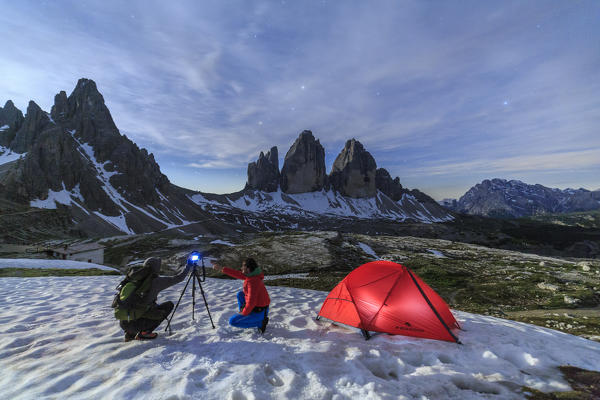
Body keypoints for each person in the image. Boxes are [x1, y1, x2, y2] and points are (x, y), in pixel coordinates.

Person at [115, 257, 191, 341]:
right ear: (156, 268)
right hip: (137, 323)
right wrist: (189, 265)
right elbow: (179, 278)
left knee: (146, 307)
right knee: (168, 306)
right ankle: (144, 333)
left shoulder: (133, 279)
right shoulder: (156, 281)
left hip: (124, 322)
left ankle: (129, 333)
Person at [213, 258, 270, 333]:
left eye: (243, 266)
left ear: (248, 269)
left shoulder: (253, 282)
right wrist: (221, 269)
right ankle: (247, 315)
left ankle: (260, 323)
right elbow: (238, 274)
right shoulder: (252, 275)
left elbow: (251, 302)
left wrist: (244, 313)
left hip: (259, 311)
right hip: (261, 307)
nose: (241, 268)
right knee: (240, 294)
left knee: (233, 321)